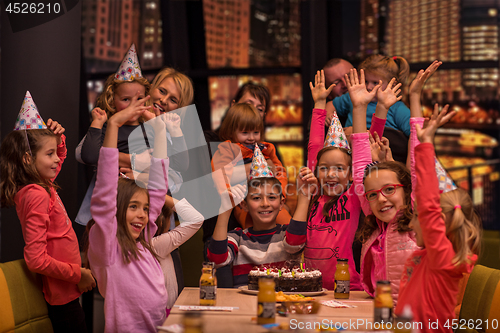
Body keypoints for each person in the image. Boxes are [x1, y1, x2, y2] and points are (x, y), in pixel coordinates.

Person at [0, 92, 95, 333]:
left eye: (55, 152)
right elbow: (35, 258)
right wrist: (77, 274)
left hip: (66, 289)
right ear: (28, 159)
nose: (56, 159)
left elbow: (57, 160)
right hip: (63, 293)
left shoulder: (41, 184)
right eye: (49, 153)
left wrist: (58, 139)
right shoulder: (36, 193)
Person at [305, 68, 399, 291]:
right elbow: (314, 147)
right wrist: (319, 104)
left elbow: (365, 151)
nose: (331, 174)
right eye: (324, 168)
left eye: (339, 169)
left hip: (351, 289)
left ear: (349, 174)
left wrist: (381, 110)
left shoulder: (355, 195)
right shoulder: (313, 189)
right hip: (312, 288)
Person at [75, 47, 189, 226]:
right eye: (162, 91)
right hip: (110, 207)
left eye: (173, 99)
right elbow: (85, 154)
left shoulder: (158, 129)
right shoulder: (109, 124)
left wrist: (143, 170)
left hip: (148, 212)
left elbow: (178, 168)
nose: (164, 100)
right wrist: (135, 160)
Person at [395, 102, 481, 332]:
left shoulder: (442, 257)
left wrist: (425, 146)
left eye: (418, 217)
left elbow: (428, 205)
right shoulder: (425, 256)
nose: (411, 224)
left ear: (436, 222)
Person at [87, 97, 169, 332]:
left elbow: (159, 188)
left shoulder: (143, 241)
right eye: (133, 207)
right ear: (117, 209)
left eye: (144, 209)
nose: (143, 215)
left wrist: (160, 131)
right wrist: (113, 125)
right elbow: (104, 193)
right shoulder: (108, 247)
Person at [355, 68, 418, 305]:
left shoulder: (415, 220)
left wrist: (415, 98)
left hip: (417, 318)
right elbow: (361, 166)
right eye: (372, 195)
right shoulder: (374, 222)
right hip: (381, 312)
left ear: (407, 189)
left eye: (389, 190)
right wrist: (360, 107)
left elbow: (416, 158)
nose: (381, 199)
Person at [207, 150, 317, 287]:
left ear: (281, 203)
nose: (265, 204)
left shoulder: (286, 234)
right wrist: (224, 209)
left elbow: (294, 244)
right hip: (244, 305)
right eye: (256, 198)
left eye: (271, 197)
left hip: (281, 303)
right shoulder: (237, 237)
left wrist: (304, 198)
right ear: (244, 205)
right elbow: (217, 260)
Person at [211, 103, 290, 228]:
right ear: (231, 131)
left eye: (256, 132)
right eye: (245, 132)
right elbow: (220, 173)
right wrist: (226, 192)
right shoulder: (227, 149)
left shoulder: (267, 149)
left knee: (287, 224)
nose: (251, 137)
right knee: (252, 228)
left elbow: (280, 172)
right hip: (244, 202)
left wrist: (281, 195)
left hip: (269, 198)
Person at [151, 195, 204, 316]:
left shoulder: (153, 245)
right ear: (161, 221)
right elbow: (196, 219)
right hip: (164, 314)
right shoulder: (157, 245)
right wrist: (158, 192)